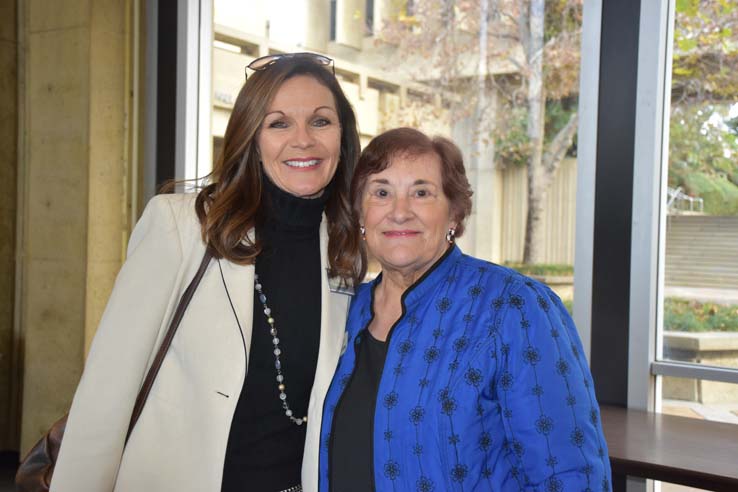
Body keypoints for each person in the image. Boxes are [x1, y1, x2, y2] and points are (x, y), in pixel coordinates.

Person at [51, 53, 361, 492]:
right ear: (251, 137)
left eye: (321, 121)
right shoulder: (182, 227)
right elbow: (105, 395)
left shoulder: (346, 252)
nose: (303, 140)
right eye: (278, 123)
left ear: (343, 137)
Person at [319, 128, 612, 491]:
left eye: (422, 193)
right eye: (381, 192)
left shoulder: (514, 308)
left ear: (454, 214)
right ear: (361, 213)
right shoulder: (343, 310)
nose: (399, 212)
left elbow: (569, 475)